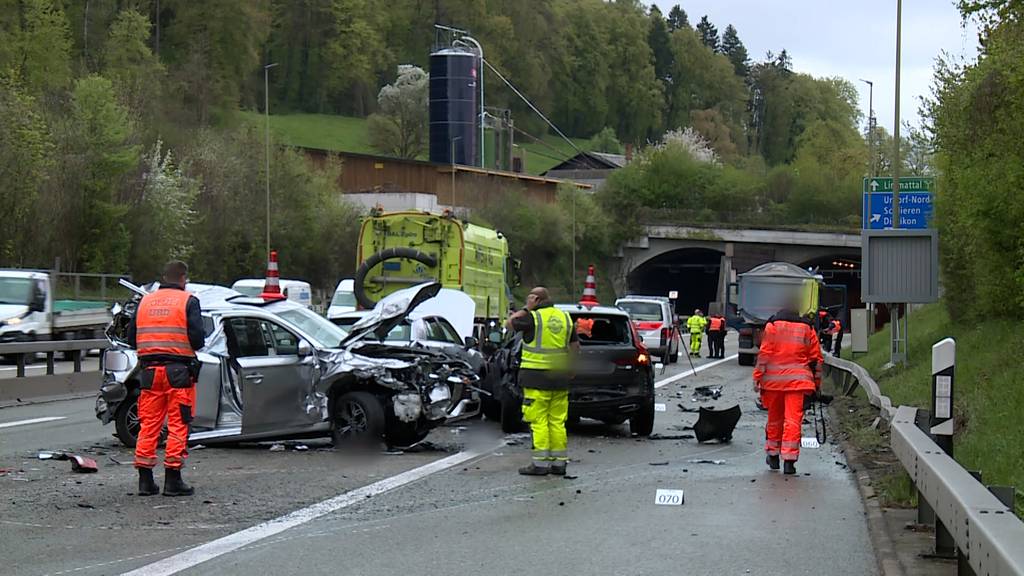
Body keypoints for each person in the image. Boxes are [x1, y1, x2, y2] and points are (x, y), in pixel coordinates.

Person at [128, 261, 204, 496]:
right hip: (178, 373)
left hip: (149, 373)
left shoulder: (144, 301)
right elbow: (198, 339)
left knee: (149, 424)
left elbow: (132, 338)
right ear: (183, 278)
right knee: (178, 424)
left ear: (164, 277)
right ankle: (173, 479)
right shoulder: (188, 301)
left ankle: (145, 481)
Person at [507, 287, 578, 476]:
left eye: (530, 297)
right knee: (557, 421)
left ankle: (540, 464)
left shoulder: (533, 317)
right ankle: (559, 463)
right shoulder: (564, 318)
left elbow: (510, 323)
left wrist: (527, 308)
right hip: (560, 378)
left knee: (538, 421)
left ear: (536, 299)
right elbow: (575, 346)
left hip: (535, 378)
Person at [752, 302, 823, 475]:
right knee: (793, 420)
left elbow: (764, 354)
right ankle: (789, 462)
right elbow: (816, 359)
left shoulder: (773, 326)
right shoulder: (807, 328)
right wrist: (817, 384)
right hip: (798, 381)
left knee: (774, 418)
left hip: (773, 382)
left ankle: (773, 456)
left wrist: (757, 378)